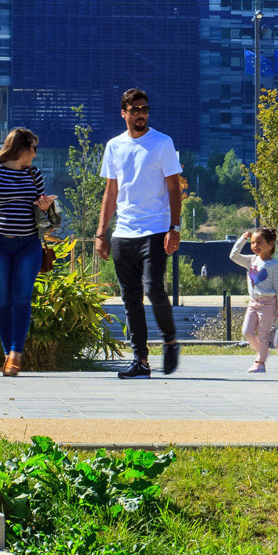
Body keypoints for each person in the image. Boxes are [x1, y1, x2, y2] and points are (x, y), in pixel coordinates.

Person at [95, 88, 182, 379]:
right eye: (135, 110)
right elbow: (111, 192)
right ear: (124, 113)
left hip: (155, 229)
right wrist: (101, 233)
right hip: (123, 232)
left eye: (144, 109)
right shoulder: (114, 146)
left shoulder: (162, 143)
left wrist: (174, 228)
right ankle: (140, 360)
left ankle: (170, 341)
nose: (141, 114)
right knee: (130, 299)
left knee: (153, 288)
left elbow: (174, 188)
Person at [0, 127, 54, 377]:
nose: (35, 155)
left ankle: (16, 354)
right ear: (21, 148)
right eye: (33, 149)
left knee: (21, 299)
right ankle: (9, 354)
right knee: (2, 300)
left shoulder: (34, 174)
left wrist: (44, 206)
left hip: (29, 244)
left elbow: (41, 213)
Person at [231, 227, 278, 373]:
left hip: (268, 304)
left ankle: (260, 362)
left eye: (259, 242)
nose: (255, 245)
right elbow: (233, 256)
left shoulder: (274, 265)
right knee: (247, 332)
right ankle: (263, 350)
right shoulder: (251, 260)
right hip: (253, 303)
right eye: (252, 242)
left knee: (263, 334)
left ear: (270, 245)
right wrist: (242, 239)